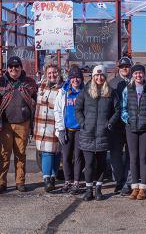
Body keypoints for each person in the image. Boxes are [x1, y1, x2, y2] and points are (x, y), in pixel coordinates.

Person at [75, 65, 120, 201]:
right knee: (88, 164)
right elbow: (78, 109)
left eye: (102, 75)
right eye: (97, 75)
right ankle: (89, 190)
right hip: (87, 134)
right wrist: (83, 123)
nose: (99, 78)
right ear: (93, 77)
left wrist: (109, 123)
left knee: (101, 163)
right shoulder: (85, 91)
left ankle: (98, 190)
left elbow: (117, 110)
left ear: (105, 77)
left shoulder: (111, 92)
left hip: (103, 134)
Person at [121, 64, 146, 200]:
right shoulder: (127, 89)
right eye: (136, 73)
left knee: (143, 158)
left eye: (140, 73)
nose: (138, 75)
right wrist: (128, 120)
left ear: (144, 74)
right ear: (132, 75)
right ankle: (134, 187)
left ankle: (143, 187)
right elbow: (123, 108)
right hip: (131, 128)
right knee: (133, 158)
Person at [0, 56, 37, 193]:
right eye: (11, 67)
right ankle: (1, 182)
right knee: (4, 154)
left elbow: (36, 99)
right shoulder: (2, 82)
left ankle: (20, 182)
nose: (14, 69)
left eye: (16, 66)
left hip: (23, 123)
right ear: (7, 68)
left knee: (20, 154)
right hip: (5, 124)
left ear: (21, 68)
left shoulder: (30, 82)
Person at [54, 66, 84, 195]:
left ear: (81, 79)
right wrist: (60, 129)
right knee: (65, 157)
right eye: (73, 77)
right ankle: (68, 181)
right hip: (67, 129)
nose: (75, 80)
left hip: (80, 129)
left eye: (78, 77)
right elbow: (58, 111)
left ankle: (76, 182)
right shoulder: (63, 92)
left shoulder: (86, 91)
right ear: (70, 79)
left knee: (78, 157)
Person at [34, 63, 63, 192]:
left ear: (59, 73)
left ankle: (52, 177)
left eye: (54, 72)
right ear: (46, 74)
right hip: (41, 124)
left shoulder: (63, 88)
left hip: (55, 124)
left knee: (55, 152)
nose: (52, 75)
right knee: (46, 152)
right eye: (49, 73)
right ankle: (47, 179)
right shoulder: (41, 86)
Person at [109, 56, 133, 195]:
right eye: (122, 66)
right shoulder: (112, 83)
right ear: (118, 68)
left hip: (130, 124)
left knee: (131, 154)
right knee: (115, 155)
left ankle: (128, 183)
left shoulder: (136, 81)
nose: (125, 68)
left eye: (127, 66)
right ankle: (118, 180)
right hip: (116, 125)